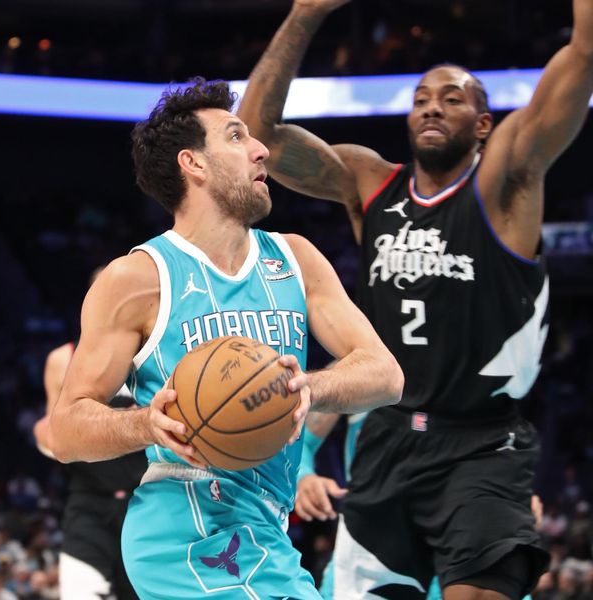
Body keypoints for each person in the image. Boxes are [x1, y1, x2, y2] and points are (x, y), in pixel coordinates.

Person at [237, 0, 593, 597]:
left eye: (453, 98)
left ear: (483, 124)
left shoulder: (506, 180)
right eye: (423, 96)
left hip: (481, 444)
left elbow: (582, 56)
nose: (433, 104)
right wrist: (305, 14)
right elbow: (253, 140)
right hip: (388, 441)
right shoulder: (369, 184)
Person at [46, 77, 403, 599]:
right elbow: (66, 430)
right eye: (237, 137)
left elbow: (386, 374)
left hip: (266, 528)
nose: (261, 150)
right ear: (193, 163)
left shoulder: (295, 260)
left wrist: (310, 387)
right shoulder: (136, 280)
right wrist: (148, 423)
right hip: (188, 526)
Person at [34, 339, 145, 600]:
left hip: (150, 499)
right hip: (89, 502)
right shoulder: (63, 358)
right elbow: (52, 432)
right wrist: (45, 435)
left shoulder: (161, 347)